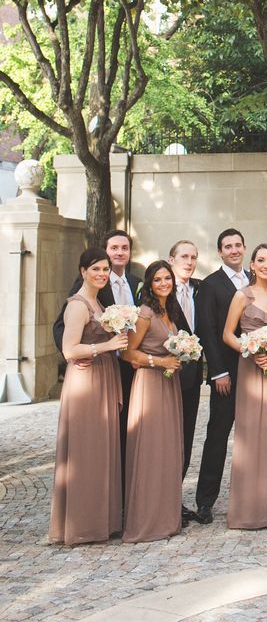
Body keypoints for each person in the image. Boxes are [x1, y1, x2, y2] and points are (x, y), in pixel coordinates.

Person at [49, 248, 128, 545]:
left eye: (105, 269)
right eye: (96, 269)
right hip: (86, 381)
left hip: (104, 378)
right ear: (83, 271)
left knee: (102, 450)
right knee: (85, 450)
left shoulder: (100, 302)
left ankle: (101, 520)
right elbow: (70, 350)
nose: (102, 274)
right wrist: (107, 346)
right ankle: (81, 525)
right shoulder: (78, 305)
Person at [52, 229, 142, 480]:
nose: (119, 253)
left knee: (116, 437)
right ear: (84, 271)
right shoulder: (84, 294)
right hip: (90, 370)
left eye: (124, 248)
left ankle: (118, 497)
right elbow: (62, 328)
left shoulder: (136, 283)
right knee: (89, 441)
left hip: (121, 371)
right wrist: (79, 356)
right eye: (114, 248)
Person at [224, 243, 267, 530]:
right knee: (253, 436)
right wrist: (250, 349)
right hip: (252, 371)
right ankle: (252, 509)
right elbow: (227, 333)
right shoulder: (242, 296)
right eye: (261, 260)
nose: (266, 265)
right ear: (252, 264)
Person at [122, 260, 183, 543]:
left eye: (167, 278)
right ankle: (146, 520)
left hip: (169, 385)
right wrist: (160, 361)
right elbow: (128, 353)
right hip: (148, 385)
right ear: (149, 284)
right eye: (158, 280)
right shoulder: (145, 313)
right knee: (149, 450)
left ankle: (165, 516)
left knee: (167, 450)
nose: (164, 283)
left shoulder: (169, 311)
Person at [194, 227, 250, 525]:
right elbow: (208, 332)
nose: (233, 250)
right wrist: (218, 372)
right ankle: (205, 501)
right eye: (227, 246)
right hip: (226, 373)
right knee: (217, 435)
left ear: (244, 247)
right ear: (220, 252)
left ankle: (255, 496)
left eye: (238, 245)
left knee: (256, 434)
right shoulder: (211, 285)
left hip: (257, 371)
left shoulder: (257, 279)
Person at [168, 239, 202, 526]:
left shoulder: (199, 290)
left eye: (193, 257)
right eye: (183, 257)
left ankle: (175, 499)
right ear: (171, 260)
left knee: (186, 438)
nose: (189, 262)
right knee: (165, 438)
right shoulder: (158, 290)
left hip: (192, 377)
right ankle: (161, 499)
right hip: (165, 376)